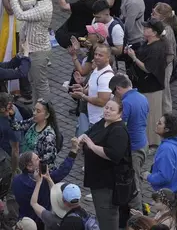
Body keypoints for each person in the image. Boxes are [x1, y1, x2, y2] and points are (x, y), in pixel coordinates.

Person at [79, 98, 130, 230]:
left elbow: (113, 154)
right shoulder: (103, 122)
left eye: (111, 109)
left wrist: (91, 145)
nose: (107, 111)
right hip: (97, 179)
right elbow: (88, 134)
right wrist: (81, 139)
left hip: (107, 183)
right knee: (101, 215)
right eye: (106, 107)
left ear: (120, 113)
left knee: (107, 217)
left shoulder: (118, 131)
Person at [11, 139, 79, 224]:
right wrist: (73, 151)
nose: (40, 160)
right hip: (42, 221)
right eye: (37, 159)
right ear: (29, 166)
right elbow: (62, 171)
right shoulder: (42, 182)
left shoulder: (16, 180)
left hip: (25, 221)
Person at [8, 0, 54, 101]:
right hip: (32, 49)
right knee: (35, 84)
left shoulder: (43, 9)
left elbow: (20, 15)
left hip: (38, 52)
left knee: (41, 85)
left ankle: (47, 113)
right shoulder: (39, 1)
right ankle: (37, 111)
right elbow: (23, 5)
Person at [125, 19, 169, 147]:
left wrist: (134, 57)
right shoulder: (148, 43)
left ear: (154, 32)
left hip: (151, 87)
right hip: (143, 85)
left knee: (151, 117)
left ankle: (151, 142)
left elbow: (147, 68)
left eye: (147, 28)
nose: (144, 29)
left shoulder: (157, 48)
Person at [109, 73, 148, 210]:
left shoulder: (126, 103)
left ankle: (137, 213)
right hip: (143, 143)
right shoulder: (142, 97)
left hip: (133, 147)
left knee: (133, 181)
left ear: (118, 89)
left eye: (114, 92)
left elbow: (121, 124)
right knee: (137, 176)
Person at [145, 113, 177, 193]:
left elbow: (164, 176)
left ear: (167, 129)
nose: (156, 124)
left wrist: (148, 177)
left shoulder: (166, 149)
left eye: (159, 123)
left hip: (168, 192)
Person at [10, 99, 61, 169]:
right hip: (27, 164)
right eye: (34, 110)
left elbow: (49, 158)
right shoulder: (33, 121)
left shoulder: (48, 135)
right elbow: (16, 127)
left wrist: (32, 165)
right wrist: (12, 116)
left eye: (38, 111)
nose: (34, 113)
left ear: (46, 115)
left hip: (36, 170)